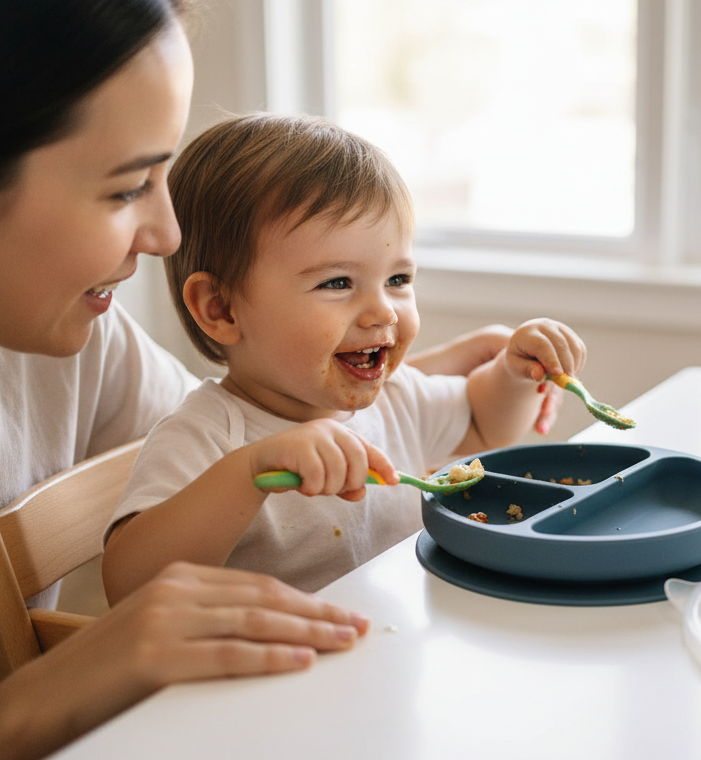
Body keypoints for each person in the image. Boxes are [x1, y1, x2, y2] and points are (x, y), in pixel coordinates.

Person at [0, 2, 556, 760]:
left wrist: (415, 373)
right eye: (126, 188)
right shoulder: (54, 332)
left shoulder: (64, 341)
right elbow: (207, 481)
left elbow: (268, 409)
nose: (168, 236)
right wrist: (57, 689)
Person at [100, 113, 587, 601]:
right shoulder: (205, 438)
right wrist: (248, 474)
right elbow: (129, 585)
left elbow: (484, 421)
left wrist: (515, 373)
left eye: (398, 280)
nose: (383, 312)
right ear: (221, 309)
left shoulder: (396, 398)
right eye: (337, 282)